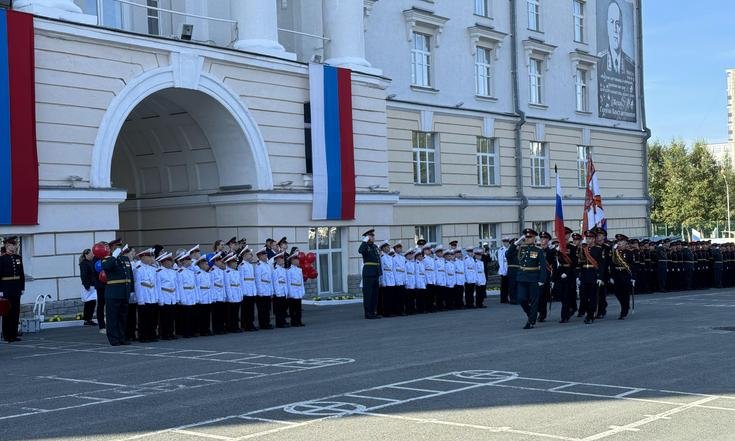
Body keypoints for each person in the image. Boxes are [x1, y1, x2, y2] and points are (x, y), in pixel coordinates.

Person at [509, 229, 546, 329]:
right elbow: (508, 254)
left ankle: (531, 321)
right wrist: (516, 243)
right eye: (526, 237)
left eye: (530, 237)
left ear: (534, 238)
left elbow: (543, 266)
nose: (527, 239)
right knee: (521, 299)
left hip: (533, 278)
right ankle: (531, 314)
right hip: (522, 277)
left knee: (534, 301)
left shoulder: (538, 250)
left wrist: (542, 280)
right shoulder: (520, 248)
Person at [101, 239, 133, 346]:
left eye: (120, 246)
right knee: (113, 318)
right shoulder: (107, 259)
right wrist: (113, 256)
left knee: (122, 317)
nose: (118, 248)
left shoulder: (125, 259)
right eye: (116, 246)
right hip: (113, 293)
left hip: (124, 293)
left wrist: (131, 291)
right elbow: (106, 267)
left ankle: (122, 338)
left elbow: (130, 275)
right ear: (111, 248)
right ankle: (113, 339)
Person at [0, 237, 25, 343]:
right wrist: (0, 289)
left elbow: (21, 274)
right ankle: (6, 335)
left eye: (14, 245)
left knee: (15, 311)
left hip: (16, 287)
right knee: (7, 312)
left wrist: (22, 287)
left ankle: (14, 334)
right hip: (6, 287)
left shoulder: (18, 258)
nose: (14, 247)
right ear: (7, 246)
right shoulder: (1, 259)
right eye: (12, 245)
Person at [134, 248, 158, 342]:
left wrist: (156, 297)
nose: (150, 258)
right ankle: (143, 336)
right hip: (144, 296)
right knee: (144, 319)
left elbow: (155, 285)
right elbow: (137, 285)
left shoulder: (153, 269)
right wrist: (140, 299)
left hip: (152, 297)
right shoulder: (138, 269)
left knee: (152, 317)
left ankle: (152, 334)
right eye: (148, 256)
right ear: (143, 257)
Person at [358, 229, 381, 319]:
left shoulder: (375, 247)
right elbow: (360, 250)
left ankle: (373, 312)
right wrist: (364, 241)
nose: (373, 237)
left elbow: (378, 260)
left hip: (375, 272)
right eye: (371, 236)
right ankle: (368, 313)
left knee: (375, 294)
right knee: (368, 294)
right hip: (368, 272)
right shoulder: (365, 246)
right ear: (367, 237)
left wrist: (379, 272)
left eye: (373, 236)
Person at [611, 234, 634, 320]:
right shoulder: (614, 252)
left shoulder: (629, 253)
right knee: (617, 293)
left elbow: (632, 265)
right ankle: (624, 305)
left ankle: (624, 311)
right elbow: (612, 265)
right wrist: (612, 276)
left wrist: (633, 277)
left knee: (625, 293)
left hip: (625, 274)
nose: (619, 243)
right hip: (617, 274)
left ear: (625, 243)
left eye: (621, 241)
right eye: (618, 242)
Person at [155, 251, 177, 340]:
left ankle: (171, 333)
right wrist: (160, 299)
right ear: (163, 262)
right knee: (164, 317)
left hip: (172, 296)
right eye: (169, 261)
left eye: (171, 261)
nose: (171, 262)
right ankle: (164, 334)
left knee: (171, 316)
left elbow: (176, 285)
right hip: (164, 296)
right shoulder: (159, 272)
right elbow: (158, 286)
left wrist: (176, 297)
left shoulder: (173, 272)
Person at [238, 248, 258, 331]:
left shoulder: (250, 265)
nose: (251, 256)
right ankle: (245, 324)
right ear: (244, 255)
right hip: (245, 290)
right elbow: (242, 280)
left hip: (251, 290)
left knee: (251, 308)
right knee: (245, 309)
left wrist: (254, 290)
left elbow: (252, 279)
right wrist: (243, 291)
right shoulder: (241, 266)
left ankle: (250, 323)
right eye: (250, 254)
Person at [255, 248, 274, 329]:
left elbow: (270, 279)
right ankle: (263, 324)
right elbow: (258, 280)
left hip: (267, 289)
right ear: (260, 256)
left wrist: (271, 290)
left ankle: (267, 322)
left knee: (267, 308)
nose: (266, 256)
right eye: (265, 255)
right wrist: (260, 291)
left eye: (266, 254)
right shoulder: (258, 266)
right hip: (262, 290)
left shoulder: (266, 265)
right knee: (262, 309)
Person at [78, 248, 98, 326]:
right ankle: (87, 320)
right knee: (88, 303)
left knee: (92, 302)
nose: (92, 255)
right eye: (91, 254)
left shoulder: (91, 262)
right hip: (88, 286)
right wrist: (87, 285)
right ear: (86, 255)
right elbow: (83, 275)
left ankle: (89, 319)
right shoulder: (84, 263)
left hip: (93, 285)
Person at [286, 253, 305, 326]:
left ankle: (299, 320)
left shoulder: (299, 270)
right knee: (292, 308)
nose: (298, 261)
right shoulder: (289, 270)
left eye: (298, 259)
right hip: (293, 290)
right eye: (296, 260)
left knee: (298, 308)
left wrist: (302, 290)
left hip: (298, 290)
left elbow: (301, 281)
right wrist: (290, 292)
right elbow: (288, 282)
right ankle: (293, 321)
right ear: (292, 261)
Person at [272, 252, 289, 328]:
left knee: (283, 307)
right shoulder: (275, 270)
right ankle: (280, 322)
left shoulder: (283, 269)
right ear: (277, 260)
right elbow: (275, 282)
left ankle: (283, 321)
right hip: (278, 291)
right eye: (281, 258)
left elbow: (285, 281)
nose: (283, 260)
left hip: (283, 291)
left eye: (283, 258)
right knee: (279, 309)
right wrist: (277, 292)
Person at [498, 238, 510, 303]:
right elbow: (500, 261)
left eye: (507, 242)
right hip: (504, 270)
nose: (506, 243)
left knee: (508, 285)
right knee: (503, 286)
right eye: (505, 242)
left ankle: (507, 298)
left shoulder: (509, 249)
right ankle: (503, 299)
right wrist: (503, 271)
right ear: (503, 242)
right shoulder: (501, 250)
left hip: (509, 269)